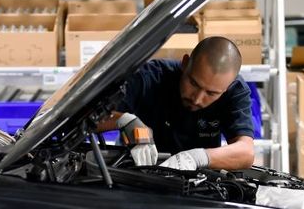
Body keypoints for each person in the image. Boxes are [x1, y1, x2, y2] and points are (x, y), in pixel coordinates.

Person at [99, 36, 255, 171]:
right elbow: (87, 119)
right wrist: (124, 120)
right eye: (194, 83)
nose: (197, 99)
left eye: (211, 93)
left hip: (198, 180)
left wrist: (197, 158)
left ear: (227, 87)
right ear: (185, 63)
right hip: (136, 173)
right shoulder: (149, 77)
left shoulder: (236, 91)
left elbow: (246, 153)